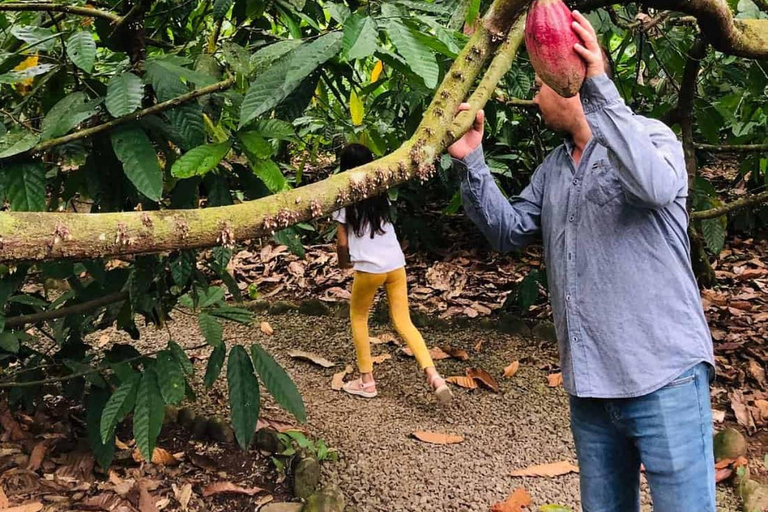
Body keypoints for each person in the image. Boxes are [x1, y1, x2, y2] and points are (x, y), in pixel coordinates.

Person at [449, 11, 715, 512]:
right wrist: (471, 160)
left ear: (567, 76)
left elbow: (656, 189)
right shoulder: (552, 170)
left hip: (665, 378)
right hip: (591, 390)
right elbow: (508, 233)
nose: (534, 94)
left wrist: (599, 87)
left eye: (539, 81)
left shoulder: (653, 136)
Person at [332, 143, 453, 404]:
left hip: (370, 268)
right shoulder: (380, 191)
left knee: (359, 317)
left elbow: (342, 243)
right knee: (403, 322)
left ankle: (367, 382)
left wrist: (344, 263)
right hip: (395, 264)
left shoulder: (344, 196)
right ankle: (434, 376)